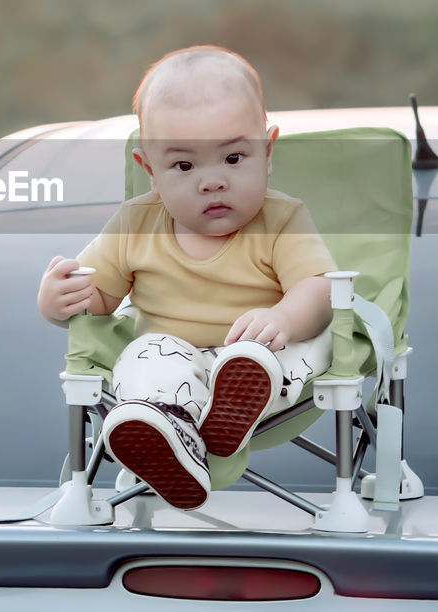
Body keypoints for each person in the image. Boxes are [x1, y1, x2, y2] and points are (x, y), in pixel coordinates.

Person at [37, 45, 337, 510]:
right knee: (144, 353)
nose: (212, 181)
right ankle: (171, 440)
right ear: (150, 171)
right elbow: (99, 298)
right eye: (184, 165)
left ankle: (229, 406)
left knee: (318, 335)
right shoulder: (134, 223)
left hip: (267, 358)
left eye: (234, 158)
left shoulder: (282, 218)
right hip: (178, 367)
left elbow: (318, 286)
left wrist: (284, 316)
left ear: (268, 150)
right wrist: (60, 299)